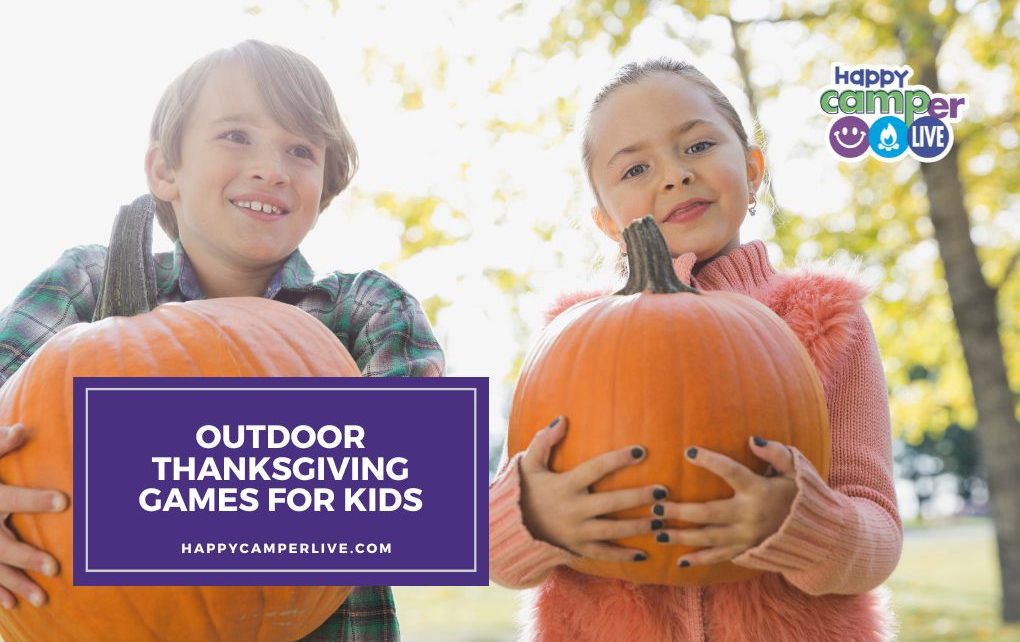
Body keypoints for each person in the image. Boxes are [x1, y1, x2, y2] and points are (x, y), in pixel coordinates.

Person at [0, 40, 444, 640]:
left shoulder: (365, 309)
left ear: (323, 189)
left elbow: (417, 494)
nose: (272, 169)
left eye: (300, 150)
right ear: (164, 170)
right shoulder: (89, 285)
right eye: (237, 136)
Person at [489, 58, 902, 641]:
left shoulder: (825, 321)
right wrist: (532, 516)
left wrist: (808, 525)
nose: (674, 175)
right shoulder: (567, 340)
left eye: (699, 145)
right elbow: (490, 551)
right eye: (635, 168)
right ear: (607, 221)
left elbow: (879, 534)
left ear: (753, 170)